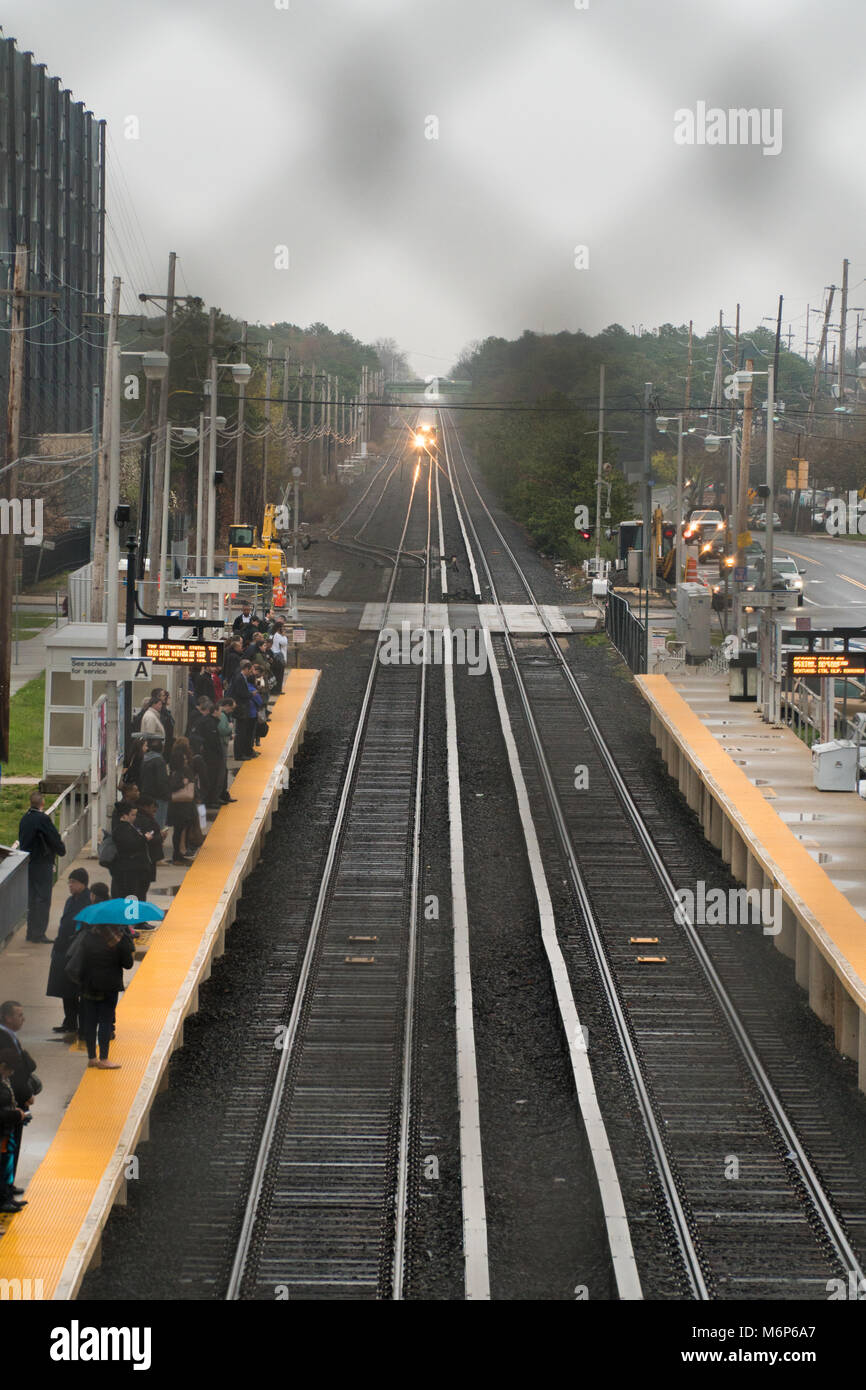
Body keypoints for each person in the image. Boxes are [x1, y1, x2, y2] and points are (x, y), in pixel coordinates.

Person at [76, 925, 134, 1069]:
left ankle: (92, 1058)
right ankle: (104, 1059)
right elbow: (128, 964)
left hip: (89, 985)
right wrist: (127, 941)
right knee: (105, 1021)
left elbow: (80, 961)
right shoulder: (118, 939)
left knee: (90, 1021)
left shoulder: (88, 937)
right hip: (109, 986)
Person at [17, 790, 66, 942]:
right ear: (42, 804)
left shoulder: (25, 819)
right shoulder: (42, 819)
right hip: (42, 863)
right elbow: (53, 838)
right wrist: (61, 850)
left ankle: (31, 932)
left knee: (32, 899)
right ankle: (39, 933)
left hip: (29, 863)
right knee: (43, 898)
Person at [46, 867, 89, 1036]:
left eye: (74, 883)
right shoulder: (71, 901)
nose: (70, 886)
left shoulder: (87, 902)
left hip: (75, 951)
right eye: (69, 882)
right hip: (62, 948)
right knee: (64, 989)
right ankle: (69, 1021)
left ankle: (77, 1022)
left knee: (74, 989)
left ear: (83, 884)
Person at [0, 1002, 38, 1186]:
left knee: (11, 1147)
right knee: (9, 1146)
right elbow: (16, 1075)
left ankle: (9, 1186)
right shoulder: (4, 1039)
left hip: (12, 1100)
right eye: (19, 1015)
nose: (23, 1019)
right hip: (11, 1103)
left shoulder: (10, 1036)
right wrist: (25, 1095)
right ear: (8, 1017)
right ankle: (6, 1187)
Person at [0, 1051, 29, 1213]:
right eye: (9, 1070)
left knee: (6, 1163)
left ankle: (7, 1196)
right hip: (3, 1129)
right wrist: (16, 1114)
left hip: (5, 1132)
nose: (11, 1074)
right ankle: (3, 1199)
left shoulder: (3, 1080)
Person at [110, 802, 153, 900]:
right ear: (124, 816)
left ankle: (132, 914)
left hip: (132, 870)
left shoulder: (127, 827)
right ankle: (132, 915)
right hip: (130, 872)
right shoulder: (122, 829)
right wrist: (145, 839)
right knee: (132, 897)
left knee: (133, 897)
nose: (135, 817)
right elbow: (130, 845)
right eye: (133, 815)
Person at [167, 739, 197, 863]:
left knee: (178, 832)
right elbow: (188, 794)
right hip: (183, 809)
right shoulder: (183, 773)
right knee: (179, 832)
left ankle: (179, 853)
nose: (186, 761)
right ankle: (179, 855)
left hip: (178, 808)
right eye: (183, 759)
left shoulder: (173, 773)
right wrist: (183, 785)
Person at [228, 659, 257, 759]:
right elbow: (242, 693)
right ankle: (239, 754)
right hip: (241, 709)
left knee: (243, 732)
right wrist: (251, 694)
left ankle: (242, 752)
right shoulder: (239, 679)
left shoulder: (241, 677)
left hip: (243, 708)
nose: (250, 673)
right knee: (240, 732)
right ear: (245, 669)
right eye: (250, 670)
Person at [138, 738, 171, 828]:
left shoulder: (145, 759)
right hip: (158, 799)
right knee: (158, 825)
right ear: (162, 748)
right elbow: (162, 781)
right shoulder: (159, 761)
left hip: (146, 796)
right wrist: (167, 795)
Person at [135, 796, 166, 890]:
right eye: (152, 808)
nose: (155, 810)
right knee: (142, 888)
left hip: (147, 858)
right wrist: (160, 836)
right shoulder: (145, 820)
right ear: (145, 807)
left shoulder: (144, 818)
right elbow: (150, 838)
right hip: (147, 858)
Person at [271, 621, 288, 692]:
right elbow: (284, 643)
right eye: (282, 628)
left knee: (279, 674)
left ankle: (278, 689)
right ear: (279, 628)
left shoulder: (277, 635)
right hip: (279, 657)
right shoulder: (278, 635)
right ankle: (277, 690)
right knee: (279, 675)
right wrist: (284, 635)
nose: (284, 629)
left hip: (278, 656)